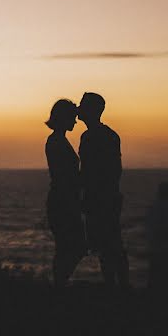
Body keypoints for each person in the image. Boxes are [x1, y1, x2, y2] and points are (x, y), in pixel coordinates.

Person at [77, 92, 130, 290]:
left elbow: (110, 170)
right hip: (102, 198)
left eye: (83, 105)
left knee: (110, 244)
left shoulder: (98, 136)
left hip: (102, 199)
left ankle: (119, 286)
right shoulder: (104, 135)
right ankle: (115, 286)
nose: (79, 109)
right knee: (106, 245)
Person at [44, 98, 84, 287]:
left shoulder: (58, 140)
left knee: (68, 247)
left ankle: (59, 284)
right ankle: (59, 285)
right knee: (71, 247)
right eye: (72, 118)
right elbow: (64, 175)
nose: (75, 122)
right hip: (63, 201)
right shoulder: (56, 142)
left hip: (64, 200)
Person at [145, 181, 168, 292]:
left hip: (154, 249)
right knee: (167, 280)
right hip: (166, 251)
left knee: (154, 279)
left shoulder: (152, 209)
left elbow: (149, 229)